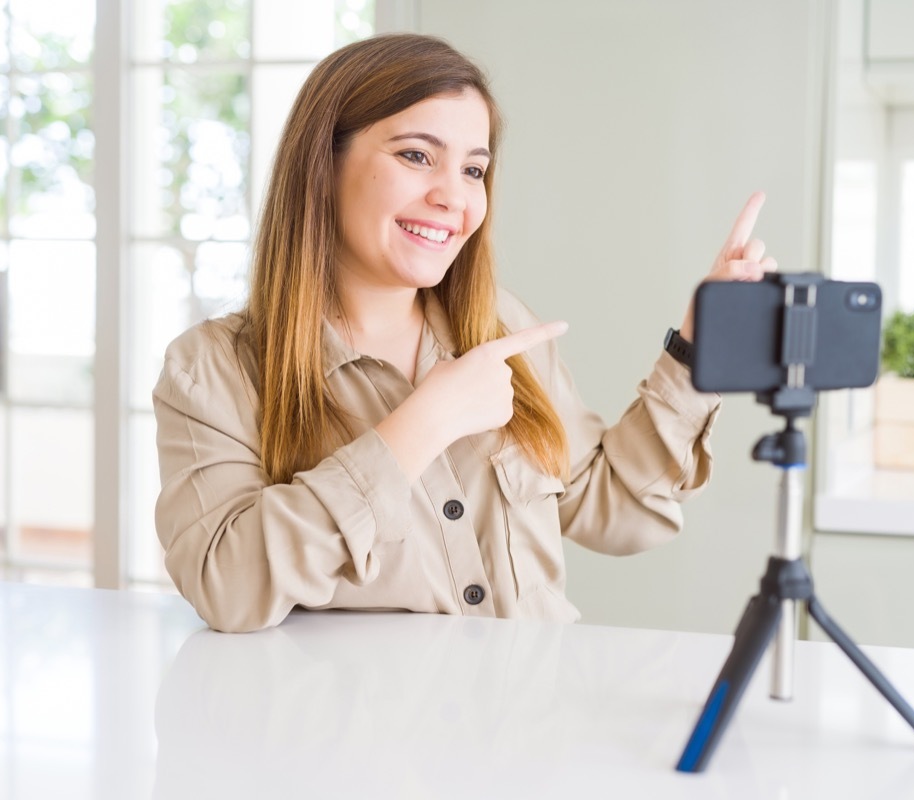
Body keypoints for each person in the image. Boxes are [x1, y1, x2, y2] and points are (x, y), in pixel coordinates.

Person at [153, 33, 776, 633]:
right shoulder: (212, 369)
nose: (454, 197)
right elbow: (225, 587)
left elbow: (616, 509)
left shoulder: (502, 328)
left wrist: (698, 347)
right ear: (324, 163)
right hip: (363, 738)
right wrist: (422, 424)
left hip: (532, 722)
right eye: (416, 156)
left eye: (474, 170)